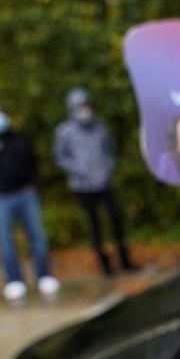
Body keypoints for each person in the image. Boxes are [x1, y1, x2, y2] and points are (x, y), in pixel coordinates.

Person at [0, 100, 58, 301]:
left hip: (25, 194)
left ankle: (45, 276)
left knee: (38, 237)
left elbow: (33, 162)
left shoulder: (18, 138)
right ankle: (14, 280)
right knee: (6, 241)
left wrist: (33, 185)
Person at [53, 88, 138, 276]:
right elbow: (60, 157)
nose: (84, 109)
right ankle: (105, 265)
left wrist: (107, 168)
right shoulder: (64, 131)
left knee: (116, 221)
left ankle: (124, 260)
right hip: (82, 186)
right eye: (80, 106)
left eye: (86, 105)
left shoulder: (100, 127)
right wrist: (80, 170)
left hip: (105, 181)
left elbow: (110, 151)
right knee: (94, 225)